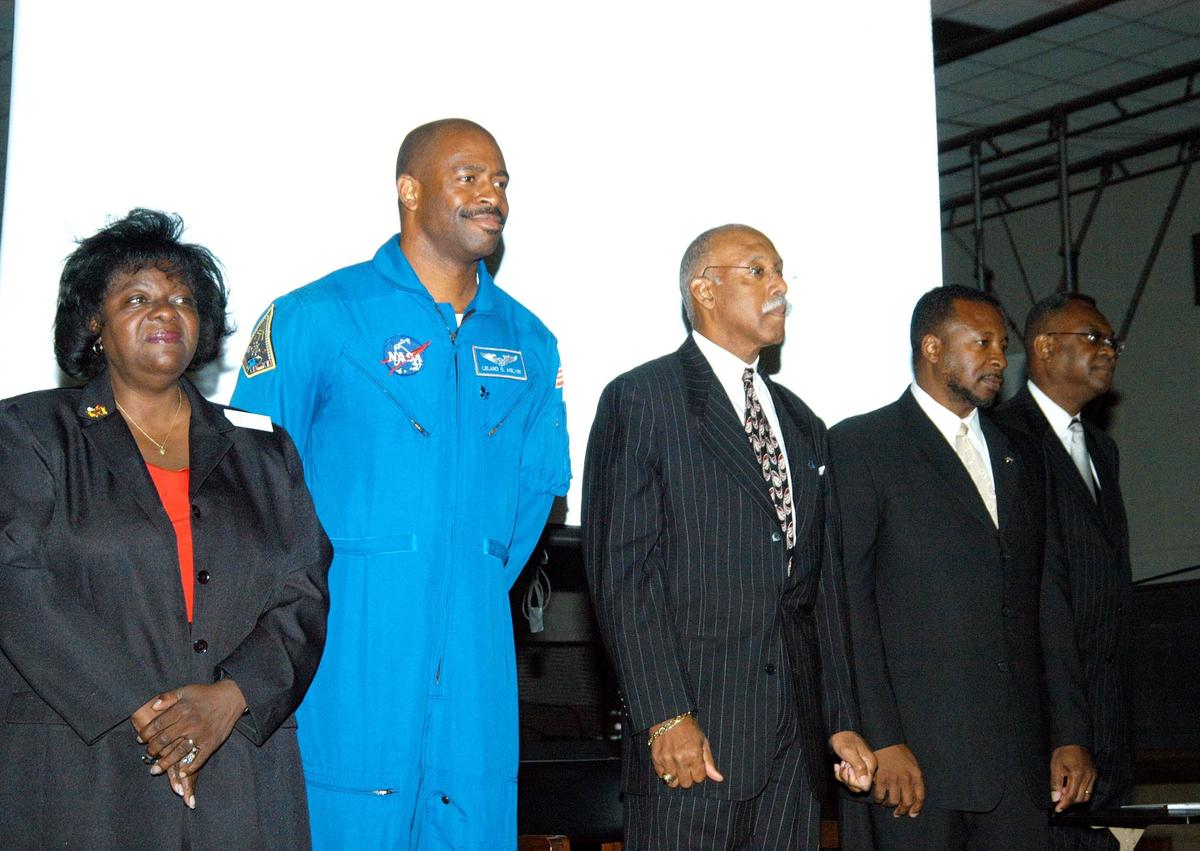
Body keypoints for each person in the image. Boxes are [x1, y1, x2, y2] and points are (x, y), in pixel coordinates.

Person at [230, 118, 570, 850]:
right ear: (409, 190)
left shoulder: (530, 342)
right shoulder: (316, 317)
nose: (492, 195)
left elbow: (530, 501)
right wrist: (370, 574)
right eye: (469, 177)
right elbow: (249, 492)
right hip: (345, 647)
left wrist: (466, 579)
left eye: (501, 181)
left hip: (476, 655)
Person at [0, 209, 332, 849]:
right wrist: (150, 710)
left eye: (183, 299)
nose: (166, 311)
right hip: (80, 763)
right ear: (94, 324)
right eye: (137, 298)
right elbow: (11, 584)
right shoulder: (34, 431)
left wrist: (230, 698)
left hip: (236, 762)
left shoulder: (265, 449)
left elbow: (303, 591)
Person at [582, 224, 875, 850]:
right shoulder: (643, 398)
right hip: (695, 734)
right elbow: (623, 576)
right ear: (704, 290)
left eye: (780, 271)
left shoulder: (801, 421)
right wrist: (665, 714)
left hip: (793, 747)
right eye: (757, 271)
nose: (780, 286)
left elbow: (820, 586)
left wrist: (841, 720)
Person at [829, 284, 1095, 850]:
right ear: (932, 348)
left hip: (1019, 764)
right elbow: (849, 603)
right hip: (913, 763)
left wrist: (1069, 732)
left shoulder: (1022, 454)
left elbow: (1047, 598)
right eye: (981, 342)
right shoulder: (861, 444)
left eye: (1001, 344)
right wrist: (881, 738)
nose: (999, 358)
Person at [993, 292, 1133, 850]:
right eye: (1094, 338)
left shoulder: (1100, 447)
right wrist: (1063, 731)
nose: (1109, 350)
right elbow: (1026, 600)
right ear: (1046, 348)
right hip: (1047, 728)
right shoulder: (1003, 437)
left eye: (1112, 341)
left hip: (1107, 717)